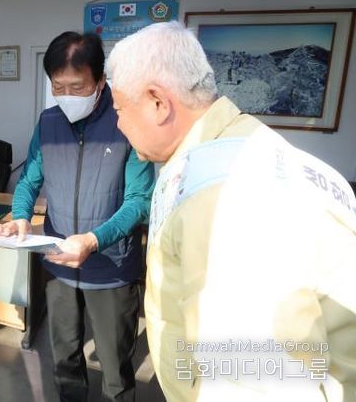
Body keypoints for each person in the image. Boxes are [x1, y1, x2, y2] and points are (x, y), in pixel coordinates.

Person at [106, 21, 356, 401]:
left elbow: (252, 383)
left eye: (120, 108)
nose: (118, 122)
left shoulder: (228, 199)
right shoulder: (246, 146)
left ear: (158, 103)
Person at [0, 31, 155, 401]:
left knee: (115, 368)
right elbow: (29, 178)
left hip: (111, 268)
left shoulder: (126, 122)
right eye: (58, 87)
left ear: (100, 81)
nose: (66, 96)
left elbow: (139, 201)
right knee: (64, 358)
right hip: (60, 263)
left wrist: (94, 240)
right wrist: (20, 216)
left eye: (77, 87)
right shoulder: (48, 122)